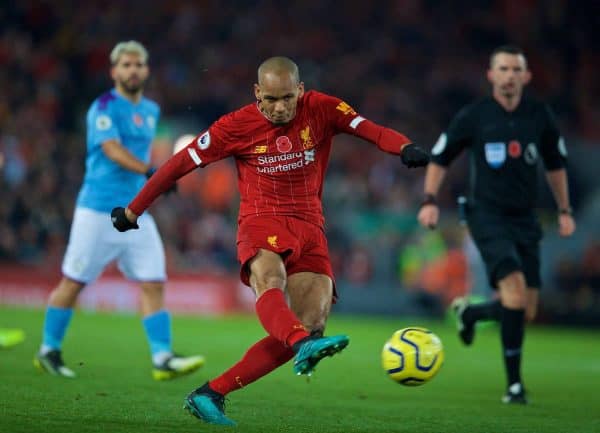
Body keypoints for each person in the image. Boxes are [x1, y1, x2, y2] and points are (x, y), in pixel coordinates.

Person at [111, 56, 429, 425]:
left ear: (301, 91)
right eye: (271, 99)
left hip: (311, 226)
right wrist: (134, 211)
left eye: (287, 99)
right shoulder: (235, 125)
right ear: (257, 93)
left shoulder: (323, 109)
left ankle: (210, 393)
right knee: (271, 282)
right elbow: (180, 163)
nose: (279, 108)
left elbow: (370, 129)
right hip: (261, 219)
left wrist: (404, 147)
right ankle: (300, 345)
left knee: (310, 324)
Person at [34, 41, 205, 380]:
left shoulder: (152, 110)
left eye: (138, 65)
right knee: (73, 282)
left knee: (154, 280)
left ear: (146, 70)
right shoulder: (104, 106)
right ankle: (48, 349)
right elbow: (111, 149)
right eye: (125, 65)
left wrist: (157, 178)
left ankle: (162, 358)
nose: (132, 70)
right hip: (97, 209)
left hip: (136, 211)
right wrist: (150, 173)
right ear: (114, 71)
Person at [417, 45, 576, 404]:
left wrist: (565, 209)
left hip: (525, 218)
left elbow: (555, 164)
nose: (509, 76)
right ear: (491, 75)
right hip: (486, 216)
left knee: (526, 308)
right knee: (515, 293)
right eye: (502, 69)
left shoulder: (539, 115)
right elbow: (440, 157)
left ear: (526, 76)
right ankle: (515, 386)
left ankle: (472, 311)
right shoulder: (475, 116)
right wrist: (429, 201)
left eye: (515, 69)